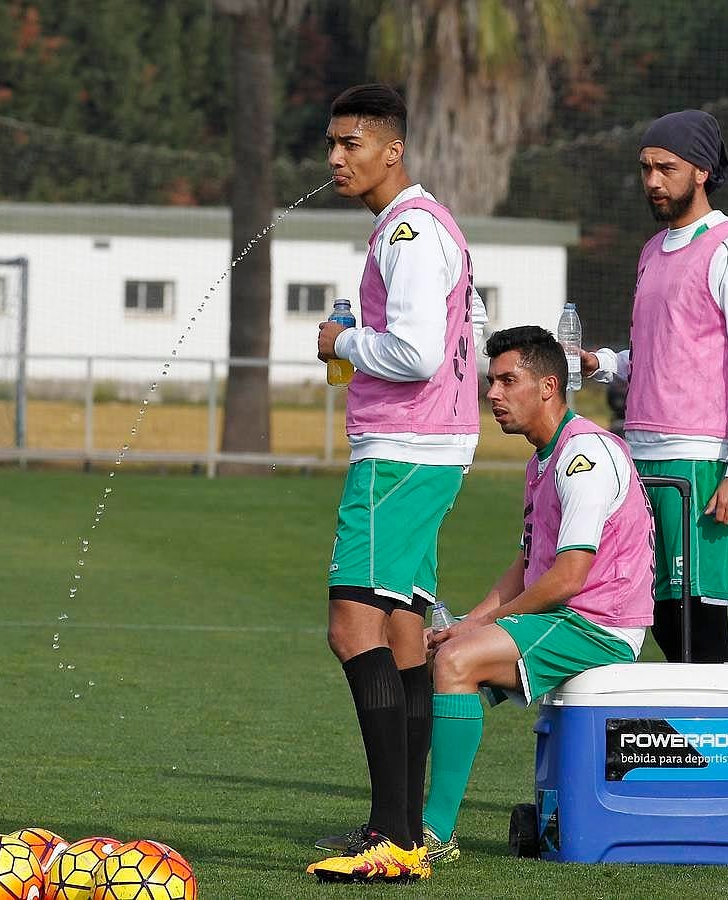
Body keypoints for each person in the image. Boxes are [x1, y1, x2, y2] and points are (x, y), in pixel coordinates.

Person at [306, 83, 485, 884]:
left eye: (350, 144)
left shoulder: (410, 230)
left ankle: (389, 830)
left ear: (391, 149)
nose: (335, 158)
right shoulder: (418, 226)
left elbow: (414, 353)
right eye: (332, 144)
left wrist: (343, 338)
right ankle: (406, 829)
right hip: (429, 446)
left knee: (353, 625)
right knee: (405, 630)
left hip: (402, 452)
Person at [420, 325, 655, 861]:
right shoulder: (543, 458)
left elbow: (569, 576)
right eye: (491, 380)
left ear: (549, 386)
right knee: (434, 648)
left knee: (456, 662)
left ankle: (432, 836)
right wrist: (468, 621)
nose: (492, 394)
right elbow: (527, 564)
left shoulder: (584, 457)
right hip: (567, 616)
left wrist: (477, 630)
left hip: (598, 625)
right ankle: (401, 817)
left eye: (507, 380)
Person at [582, 109, 728, 664]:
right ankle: (705, 740)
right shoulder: (650, 250)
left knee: (698, 618)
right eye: (645, 168)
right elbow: (657, 354)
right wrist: (605, 363)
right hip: (640, 454)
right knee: (660, 614)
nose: (652, 182)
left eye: (666, 168)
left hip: (699, 458)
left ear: (703, 171)